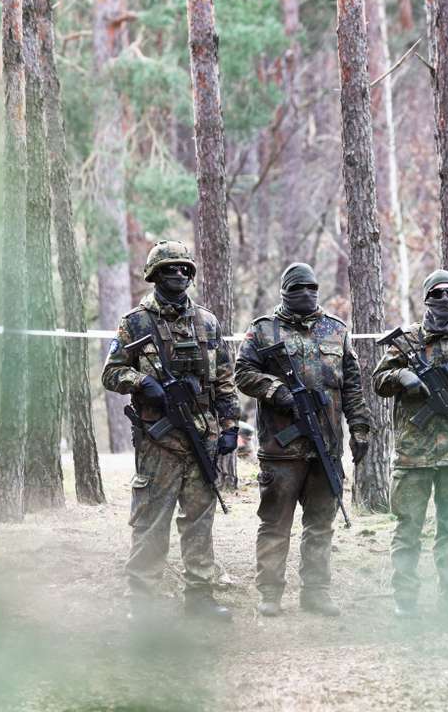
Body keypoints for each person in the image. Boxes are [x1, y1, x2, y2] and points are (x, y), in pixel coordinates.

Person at [101, 240, 240, 621]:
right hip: (158, 441)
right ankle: (143, 604)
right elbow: (111, 373)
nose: (178, 275)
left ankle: (200, 597)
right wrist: (142, 382)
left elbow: (224, 380)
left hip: (201, 437)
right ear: (154, 275)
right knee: (150, 523)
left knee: (199, 521)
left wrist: (230, 427)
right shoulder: (135, 323)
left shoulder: (207, 322)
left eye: (183, 269)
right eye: (169, 269)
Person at [235, 263, 372, 617]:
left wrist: (359, 429)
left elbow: (353, 386)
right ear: (285, 291)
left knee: (320, 525)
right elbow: (242, 373)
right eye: (298, 288)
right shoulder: (264, 331)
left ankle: (316, 593)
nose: (307, 293)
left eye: (312, 287)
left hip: (325, 446)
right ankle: (270, 593)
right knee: (275, 524)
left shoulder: (336, 331)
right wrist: (278, 392)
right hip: (281, 450)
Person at [373, 270, 448, 618]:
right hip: (413, 452)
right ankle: (405, 598)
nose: (445, 299)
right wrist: (402, 376)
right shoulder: (408, 342)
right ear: (426, 297)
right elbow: (379, 380)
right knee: (408, 528)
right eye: (437, 293)